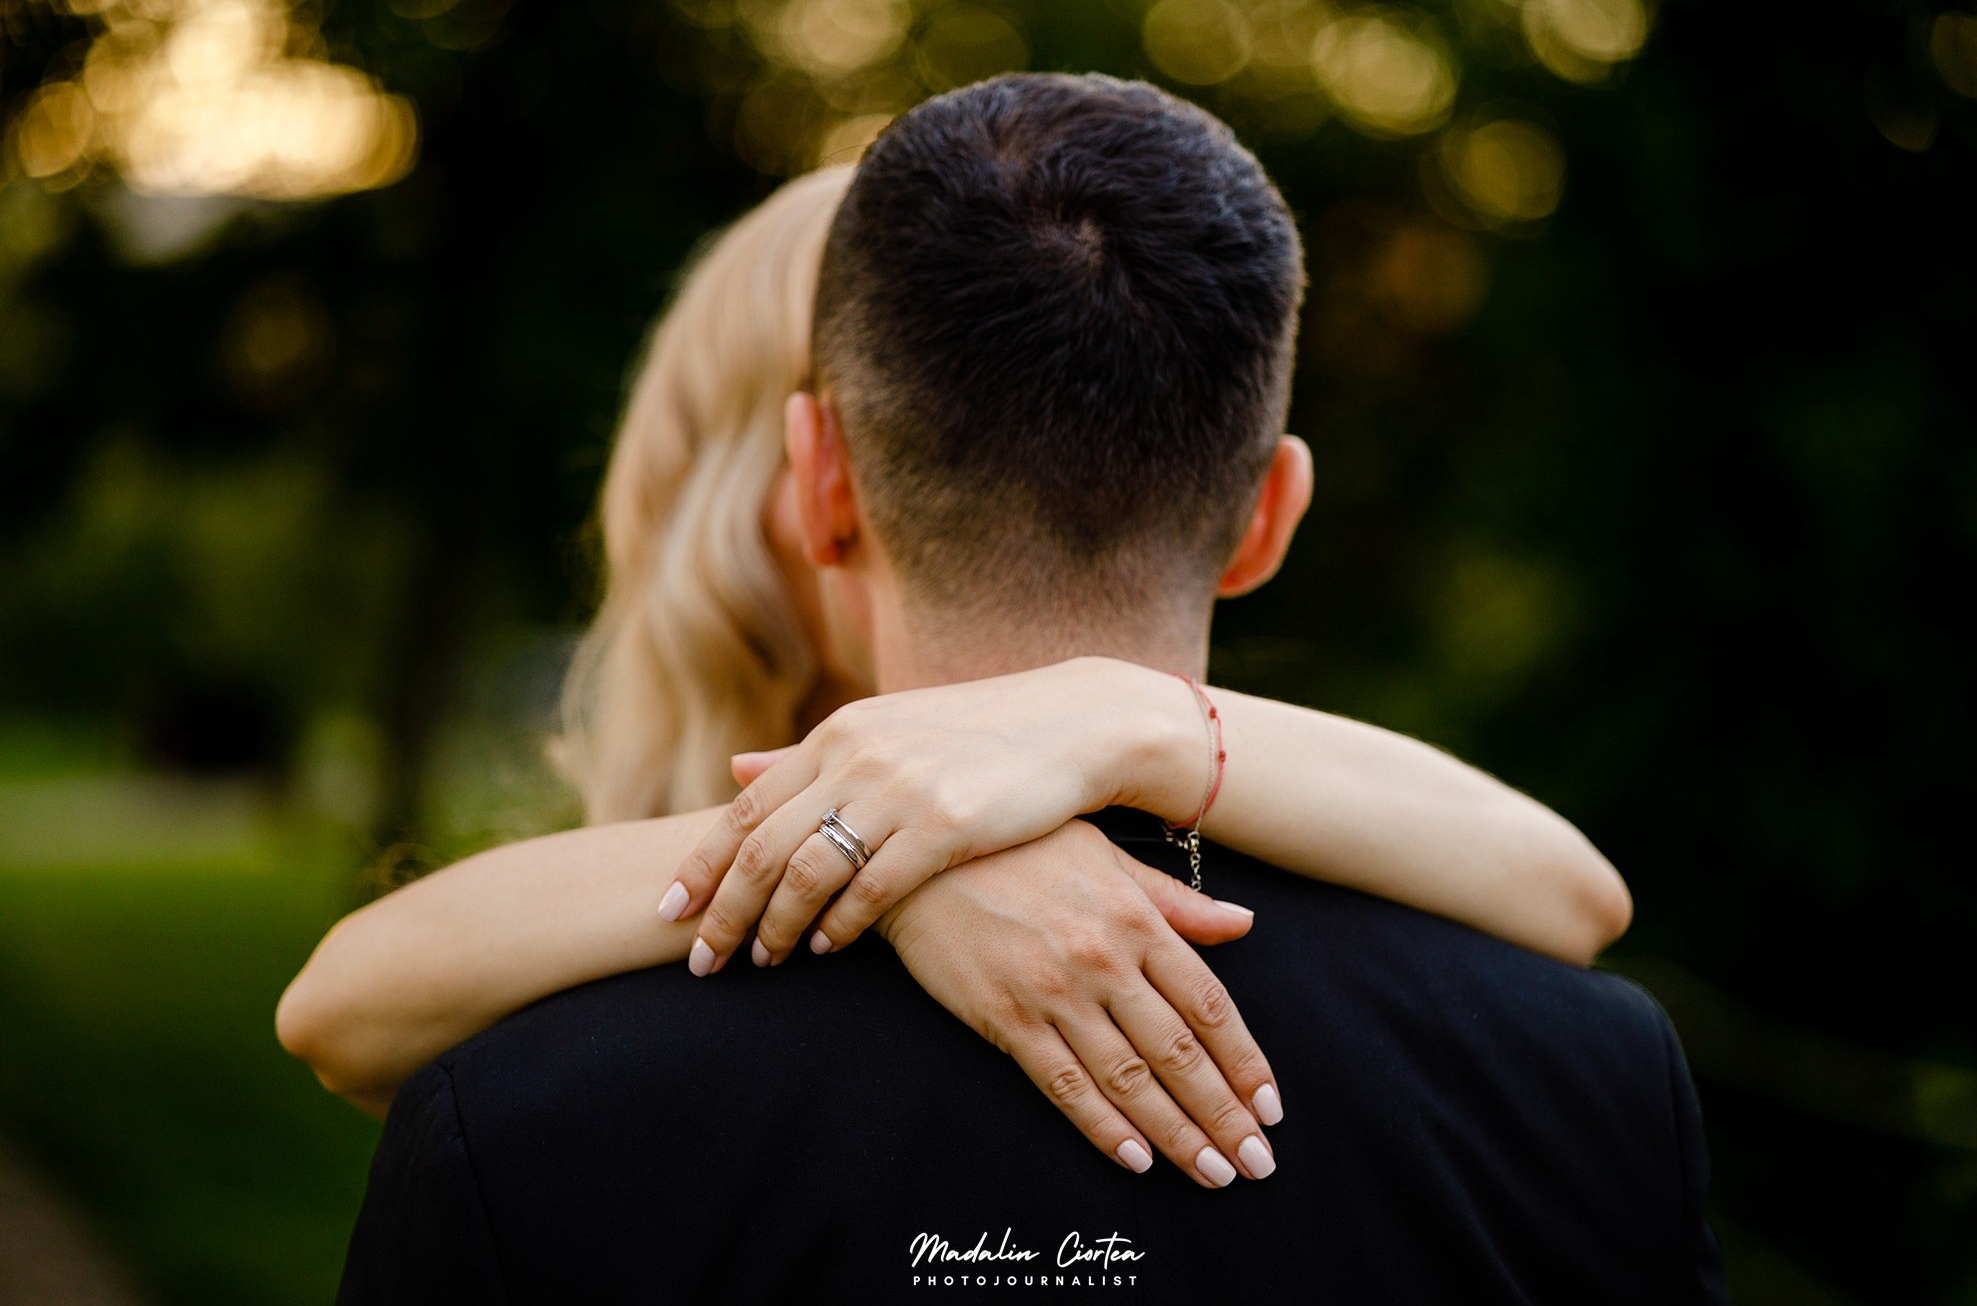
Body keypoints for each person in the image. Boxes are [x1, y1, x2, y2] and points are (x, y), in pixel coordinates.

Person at [324, 73, 1724, 1302]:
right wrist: (918, 839)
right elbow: (1585, 904)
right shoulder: (1599, 1085)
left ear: (819, 482)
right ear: (1269, 514)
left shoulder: (520, 1115)